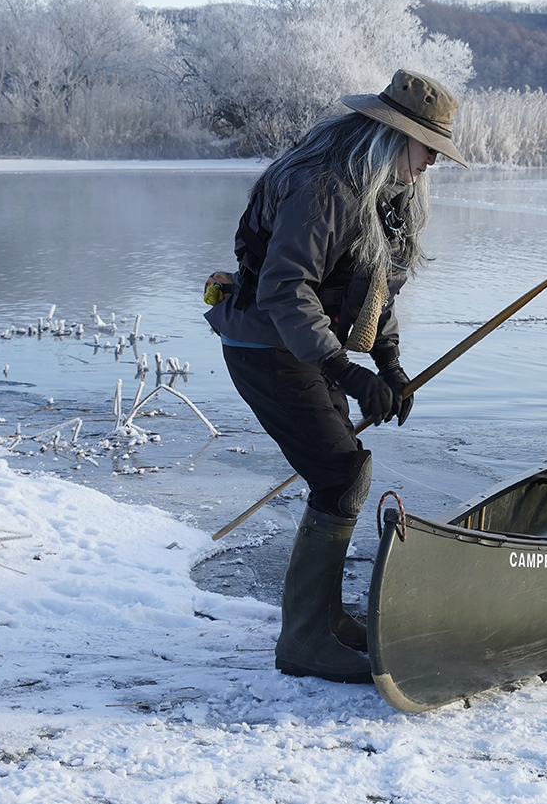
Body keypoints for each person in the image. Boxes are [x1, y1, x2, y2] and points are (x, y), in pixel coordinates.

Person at [205, 69, 467, 683]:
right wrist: (345, 372)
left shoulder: (384, 197)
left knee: (343, 468)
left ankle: (320, 620)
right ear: (393, 136)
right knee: (342, 471)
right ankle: (304, 641)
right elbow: (285, 288)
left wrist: (390, 363)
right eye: (429, 149)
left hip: (301, 344)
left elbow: (375, 288)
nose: (432, 163)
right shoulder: (325, 187)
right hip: (265, 342)